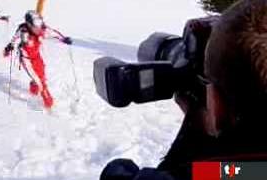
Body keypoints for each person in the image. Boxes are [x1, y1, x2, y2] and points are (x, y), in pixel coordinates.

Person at [100, 5, 267, 178]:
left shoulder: (223, 172)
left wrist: (196, 128)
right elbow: (244, 171)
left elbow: (193, 173)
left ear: (217, 106)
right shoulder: (244, 171)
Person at [3, 10, 72, 110]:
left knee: (42, 76)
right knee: (41, 83)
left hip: (37, 57)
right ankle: (49, 105)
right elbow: (14, 39)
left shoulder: (41, 28)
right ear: (29, 25)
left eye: (39, 25)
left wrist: (63, 39)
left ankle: (33, 90)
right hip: (27, 60)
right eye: (35, 27)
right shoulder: (23, 31)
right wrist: (9, 48)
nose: (38, 29)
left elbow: (52, 33)